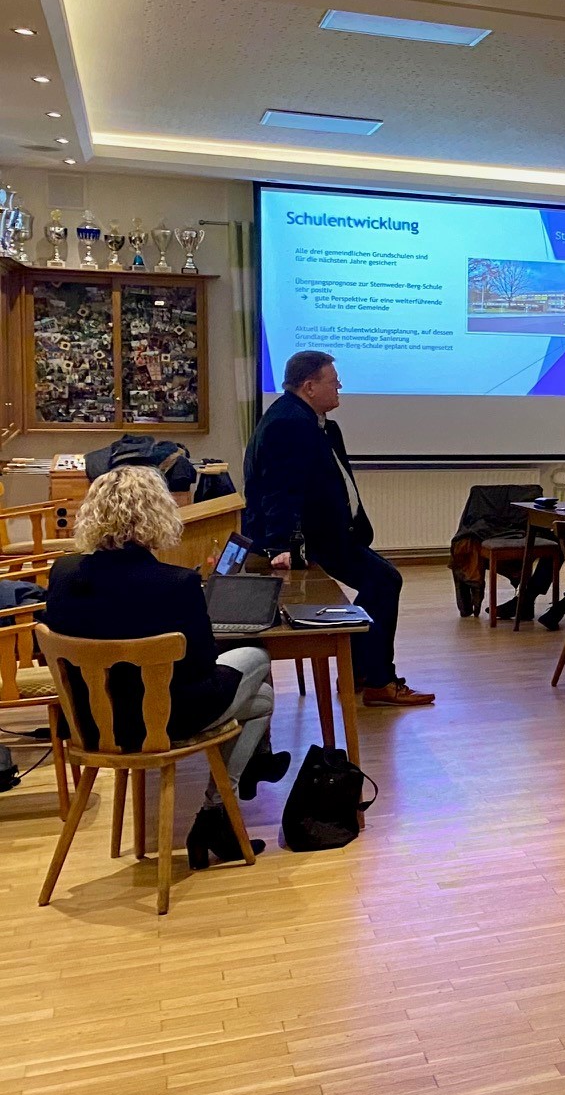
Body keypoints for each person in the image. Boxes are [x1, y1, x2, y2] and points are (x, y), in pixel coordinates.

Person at [43, 466, 287, 868]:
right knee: (257, 662)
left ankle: (221, 817)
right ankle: (214, 813)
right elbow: (201, 667)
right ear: (157, 514)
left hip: (92, 726)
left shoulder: (64, 573)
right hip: (163, 722)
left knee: (260, 702)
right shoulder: (176, 584)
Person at [242, 349, 433, 707]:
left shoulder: (308, 419)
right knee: (384, 580)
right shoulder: (290, 423)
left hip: (328, 534)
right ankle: (377, 679)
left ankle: (364, 669)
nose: (340, 386)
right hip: (313, 539)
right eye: (333, 381)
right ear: (310, 386)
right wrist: (280, 546)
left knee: (382, 582)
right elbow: (280, 490)